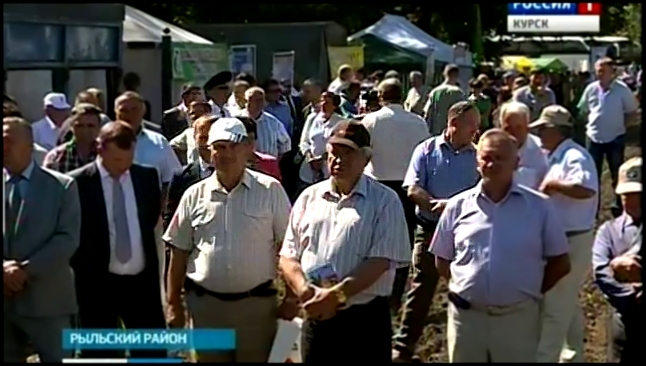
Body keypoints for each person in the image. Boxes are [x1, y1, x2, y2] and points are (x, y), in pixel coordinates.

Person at [430, 129, 570, 363]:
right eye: (486, 157)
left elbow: (561, 263)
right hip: (467, 320)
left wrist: (527, 292)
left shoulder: (540, 207)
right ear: (477, 163)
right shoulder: (457, 206)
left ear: (516, 162)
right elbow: (442, 260)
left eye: (500, 158)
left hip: (517, 320)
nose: (492, 163)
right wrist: (467, 288)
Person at [279, 120, 412, 363]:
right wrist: (304, 290)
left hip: (364, 319)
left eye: (347, 153)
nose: (338, 160)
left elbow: (381, 260)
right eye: (334, 153)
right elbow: (288, 255)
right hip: (316, 313)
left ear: (366, 158)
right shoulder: (309, 197)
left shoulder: (385, 201)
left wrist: (336, 296)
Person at [163, 117, 293, 362]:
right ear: (209, 152)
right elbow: (178, 251)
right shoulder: (194, 194)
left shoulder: (270, 189)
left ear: (248, 148)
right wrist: (173, 304)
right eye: (220, 147)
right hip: (206, 309)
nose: (227, 153)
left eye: (234, 145)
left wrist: (291, 297)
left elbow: (288, 247)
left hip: (257, 309)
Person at [68, 121, 166, 359]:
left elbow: (150, 219)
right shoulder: (76, 184)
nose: (123, 167)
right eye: (116, 161)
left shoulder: (146, 178)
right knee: (101, 353)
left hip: (142, 284)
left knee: (151, 352)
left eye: (128, 159)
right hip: (96, 286)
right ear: (99, 149)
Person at [392, 101, 480, 362]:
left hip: (466, 233)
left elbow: (484, 189)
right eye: (472, 126)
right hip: (429, 229)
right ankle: (403, 347)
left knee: (469, 290)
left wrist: (452, 207)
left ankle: (472, 347)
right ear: (453, 124)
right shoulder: (427, 150)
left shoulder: (478, 156)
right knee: (419, 290)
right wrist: (434, 206)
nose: (476, 131)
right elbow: (412, 188)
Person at [3, 116, 81, 362]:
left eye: (8, 141)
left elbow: (67, 239)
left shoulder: (61, 187)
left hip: (47, 301)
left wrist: (24, 270)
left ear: (29, 144)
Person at [530, 105, 599, 363]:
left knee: (554, 305)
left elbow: (587, 188)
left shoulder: (574, 156)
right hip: (563, 238)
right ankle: (572, 356)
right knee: (565, 302)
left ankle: (546, 357)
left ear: (554, 130)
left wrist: (555, 185)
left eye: (541, 129)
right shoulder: (558, 154)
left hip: (572, 239)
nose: (538, 135)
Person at [360, 78, 431, 313]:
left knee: (374, 238)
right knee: (405, 242)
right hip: (407, 187)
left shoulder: (370, 120)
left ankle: (376, 290)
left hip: (378, 184)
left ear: (381, 95)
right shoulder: (418, 122)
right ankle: (395, 296)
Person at [592, 157, 642, 363]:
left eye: (637, 194)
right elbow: (601, 272)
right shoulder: (609, 232)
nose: (631, 201)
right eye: (626, 195)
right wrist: (632, 295)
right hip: (625, 321)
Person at [577, 57, 640, 218]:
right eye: (597, 70)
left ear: (612, 72)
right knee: (591, 176)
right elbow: (583, 109)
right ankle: (592, 209)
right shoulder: (590, 89)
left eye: (602, 70)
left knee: (617, 173)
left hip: (615, 137)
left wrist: (622, 127)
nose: (599, 74)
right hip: (593, 137)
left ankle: (619, 207)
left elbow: (632, 111)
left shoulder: (622, 90)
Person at [114, 91, 182, 205]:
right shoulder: (104, 142)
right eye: (123, 110)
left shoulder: (158, 142)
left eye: (134, 110)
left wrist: (161, 213)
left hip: (150, 213)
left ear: (143, 111)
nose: (129, 115)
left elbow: (172, 180)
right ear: (115, 113)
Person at [163, 116, 217, 231]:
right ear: (194, 139)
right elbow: (171, 220)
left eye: (211, 138)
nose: (208, 144)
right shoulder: (181, 178)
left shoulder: (237, 173)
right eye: (203, 138)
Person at [297, 91, 344, 193]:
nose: (323, 104)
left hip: (328, 168)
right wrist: (310, 158)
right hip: (309, 167)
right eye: (322, 101)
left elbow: (340, 146)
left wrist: (322, 159)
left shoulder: (340, 122)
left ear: (334, 106)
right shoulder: (312, 118)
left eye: (327, 102)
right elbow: (304, 141)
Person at [499, 101, 548, 189]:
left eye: (518, 127)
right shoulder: (493, 149)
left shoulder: (542, 150)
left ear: (527, 127)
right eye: (508, 128)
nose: (513, 133)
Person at [43, 103, 101, 173]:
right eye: (80, 126)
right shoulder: (56, 156)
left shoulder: (106, 154)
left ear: (99, 128)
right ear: (71, 127)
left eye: (90, 126)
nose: (85, 130)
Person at [241, 87, 291, 159]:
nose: (258, 103)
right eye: (253, 99)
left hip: (267, 165)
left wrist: (274, 162)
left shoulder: (273, 122)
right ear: (245, 101)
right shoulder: (236, 120)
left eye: (261, 100)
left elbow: (286, 144)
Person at [423, 64, 467, 135]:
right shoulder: (458, 92)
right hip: (452, 131)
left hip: (436, 131)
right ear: (457, 75)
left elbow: (427, 113)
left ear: (444, 74)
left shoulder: (435, 91)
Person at [237, 116, 282, 181]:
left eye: (252, 138)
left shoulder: (270, 162)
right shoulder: (227, 164)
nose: (249, 143)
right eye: (244, 140)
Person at [169, 100, 213, 165]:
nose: (193, 116)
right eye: (192, 113)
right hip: (195, 172)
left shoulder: (217, 130)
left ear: (208, 113)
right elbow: (171, 146)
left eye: (199, 113)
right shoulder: (188, 133)